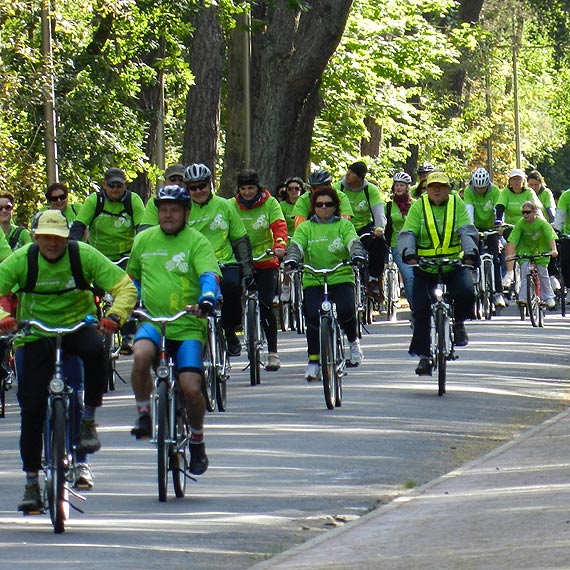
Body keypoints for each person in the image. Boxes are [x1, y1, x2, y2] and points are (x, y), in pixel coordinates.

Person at [0, 210, 137, 513]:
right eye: (45, 238)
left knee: (94, 350)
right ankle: (32, 483)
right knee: (32, 410)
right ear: (36, 238)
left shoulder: (83, 256)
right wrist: (5, 318)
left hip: (76, 327)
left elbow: (124, 287)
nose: (52, 243)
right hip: (34, 334)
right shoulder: (22, 260)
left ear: (66, 239)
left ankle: (88, 418)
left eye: (58, 238)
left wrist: (116, 315)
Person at [127, 185, 221, 476]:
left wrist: (207, 298)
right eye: (163, 209)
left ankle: (197, 440)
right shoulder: (143, 240)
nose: (168, 215)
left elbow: (209, 275)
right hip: (153, 321)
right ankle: (144, 414)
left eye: (174, 210)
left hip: (188, 323)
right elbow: (133, 279)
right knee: (140, 356)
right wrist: (129, 301)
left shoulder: (197, 242)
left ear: (185, 213)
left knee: (191, 387)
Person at [398, 172, 479, 376]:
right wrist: (409, 252)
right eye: (432, 186)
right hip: (425, 267)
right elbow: (408, 232)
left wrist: (469, 252)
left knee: (467, 292)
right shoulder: (419, 206)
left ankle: (459, 324)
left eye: (441, 186)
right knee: (421, 308)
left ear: (448, 189)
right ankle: (424, 357)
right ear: (426, 189)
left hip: (453, 264)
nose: (436, 190)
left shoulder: (456, 204)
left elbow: (466, 230)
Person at [284, 187, 367, 381]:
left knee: (346, 310)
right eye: (319, 204)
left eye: (328, 204)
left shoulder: (343, 226)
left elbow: (352, 242)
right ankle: (313, 362)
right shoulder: (306, 227)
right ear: (313, 207)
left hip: (340, 276)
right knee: (312, 317)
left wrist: (357, 254)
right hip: (314, 278)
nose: (324, 208)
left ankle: (353, 343)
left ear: (335, 206)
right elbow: (296, 245)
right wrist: (292, 259)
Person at [183, 163, 254, 357]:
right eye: (193, 188)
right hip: (194, 264)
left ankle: (230, 331)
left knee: (232, 286)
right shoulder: (183, 209)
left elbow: (240, 240)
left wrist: (248, 272)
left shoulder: (225, 205)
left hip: (224, 262)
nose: (198, 191)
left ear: (210, 184)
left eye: (202, 186)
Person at [232, 170, 288, 371]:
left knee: (265, 304)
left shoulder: (270, 203)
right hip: (240, 259)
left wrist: (279, 245)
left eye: (251, 188)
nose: (247, 192)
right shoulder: (231, 205)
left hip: (266, 258)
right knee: (232, 293)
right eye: (243, 188)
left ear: (258, 188)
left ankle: (273, 352)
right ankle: (236, 327)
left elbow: (279, 226)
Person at [333, 161, 387, 298]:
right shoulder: (337, 188)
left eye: (352, 173)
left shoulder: (370, 190)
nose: (348, 174)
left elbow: (379, 212)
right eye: (348, 171)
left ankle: (373, 278)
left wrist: (380, 228)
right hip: (341, 228)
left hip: (364, 228)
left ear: (360, 177)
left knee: (379, 243)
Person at [69, 167, 145, 263]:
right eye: (111, 186)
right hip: (97, 255)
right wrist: (72, 249)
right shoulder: (95, 200)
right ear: (104, 185)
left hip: (125, 256)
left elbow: (142, 229)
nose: (115, 189)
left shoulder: (133, 200)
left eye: (119, 186)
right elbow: (78, 226)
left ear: (125, 185)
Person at [463, 167, 506, 309]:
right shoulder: (469, 191)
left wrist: (499, 224)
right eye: (477, 188)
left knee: (495, 258)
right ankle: (474, 274)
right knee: (472, 252)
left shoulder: (494, 191)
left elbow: (498, 209)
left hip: (491, 226)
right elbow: (468, 210)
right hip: (476, 226)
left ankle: (498, 293)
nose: (480, 190)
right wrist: (470, 227)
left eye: (482, 188)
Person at [504, 201, 557, 308]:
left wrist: (554, 249)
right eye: (523, 212)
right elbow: (514, 239)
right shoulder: (521, 223)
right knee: (524, 272)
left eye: (528, 212)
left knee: (543, 273)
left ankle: (549, 297)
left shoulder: (542, 223)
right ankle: (523, 297)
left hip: (540, 248)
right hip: (525, 249)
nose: (525, 215)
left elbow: (550, 236)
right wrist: (510, 255)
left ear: (534, 212)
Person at [384, 172, 415, 309]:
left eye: (401, 185)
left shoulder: (416, 204)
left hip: (417, 245)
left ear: (407, 187)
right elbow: (385, 226)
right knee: (409, 277)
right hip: (398, 246)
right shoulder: (389, 207)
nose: (398, 188)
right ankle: (416, 308)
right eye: (396, 185)